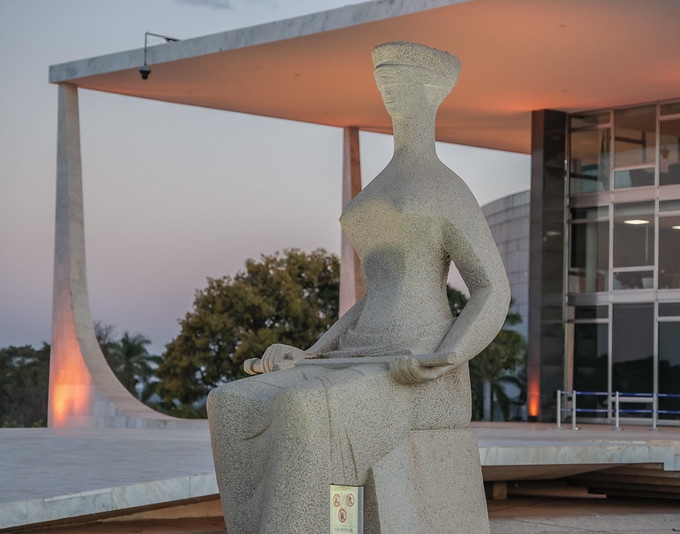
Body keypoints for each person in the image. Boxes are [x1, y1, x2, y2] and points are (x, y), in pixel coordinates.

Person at [207, 41, 509, 534]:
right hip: (356, 353)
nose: (389, 88)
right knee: (230, 404)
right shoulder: (379, 187)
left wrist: (447, 356)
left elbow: (492, 289)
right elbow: (374, 297)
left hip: (416, 366)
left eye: (400, 80)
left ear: (430, 93)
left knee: (303, 409)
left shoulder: (447, 189)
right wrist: (311, 353)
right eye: (383, 79)